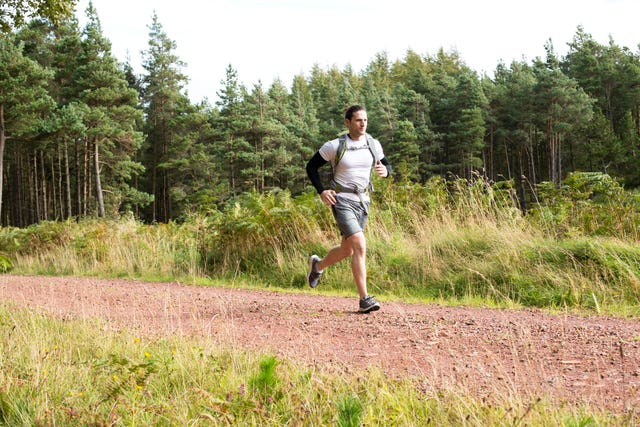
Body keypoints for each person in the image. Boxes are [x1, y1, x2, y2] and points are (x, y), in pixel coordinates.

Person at [305, 105, 392, 313]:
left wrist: (385, 171)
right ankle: (364, 299)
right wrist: (322, 191)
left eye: (365, 120)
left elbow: (387, 165)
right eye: (358, 120)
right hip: (341, 199)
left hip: (363, 201)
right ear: (347, 123)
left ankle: (317, 267)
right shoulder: (335, 146)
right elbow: (311, 167)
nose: (363, 124)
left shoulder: (372, 144)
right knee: (360, 244)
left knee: (348, 249)